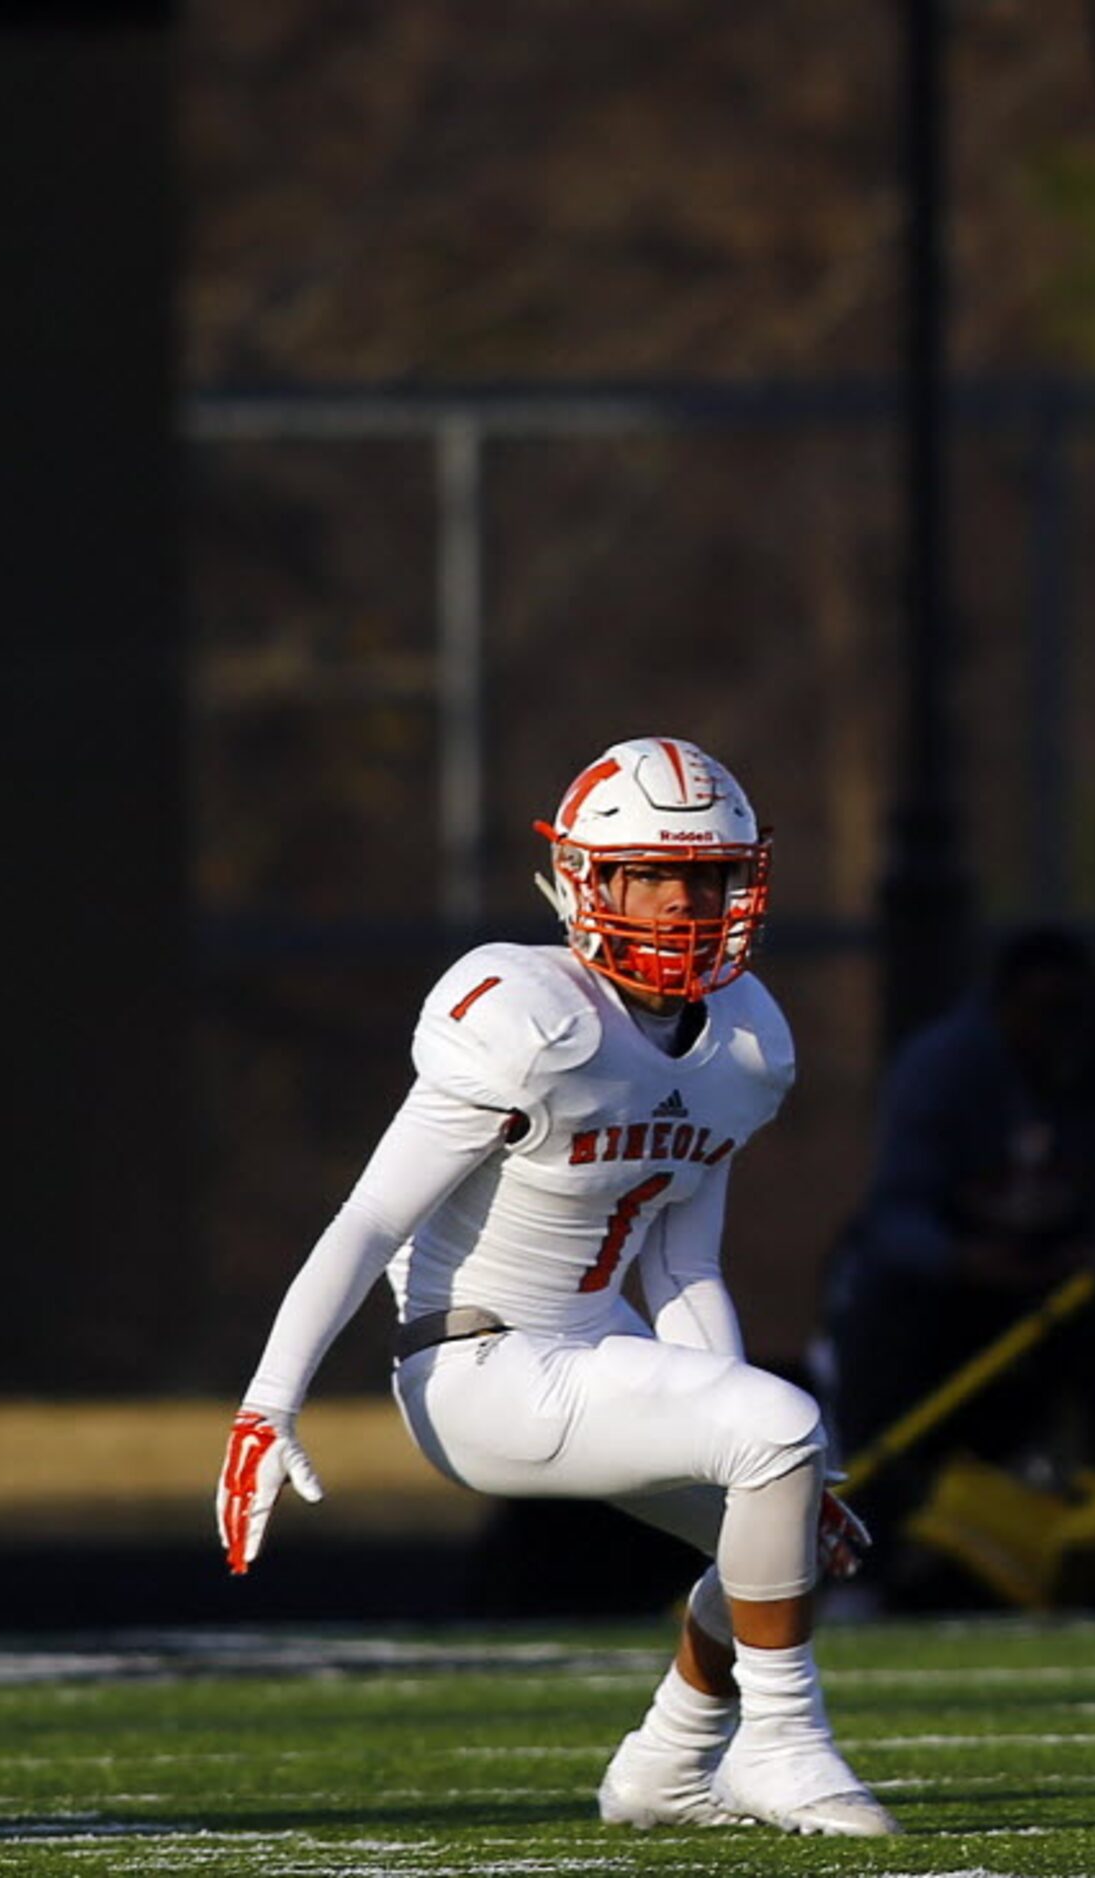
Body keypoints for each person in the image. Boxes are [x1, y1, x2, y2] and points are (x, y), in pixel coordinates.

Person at [215, 735, 897, 1838]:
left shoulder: (744, 1042)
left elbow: (683, 1264)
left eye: (707, 875)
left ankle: (665, 1768)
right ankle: (783, 1747)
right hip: (475, 1366)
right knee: (778, 1432)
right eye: (655, 874)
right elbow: (370, 1219)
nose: (683, 902)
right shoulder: (526, 1017)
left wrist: (760, 1470)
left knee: (782, 1505)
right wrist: (269, 1403)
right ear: (589, 878)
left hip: (597, 1349)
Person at [809, 925, 1095, 1592]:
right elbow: (896, 1216)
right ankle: (870, 1563)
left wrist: (1087, 1254)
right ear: (1004, 1006)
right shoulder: (943, 1067)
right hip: (940, 1297)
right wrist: (968, 1262)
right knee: (887, 1350)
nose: (1059, 1033)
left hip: (1055, 1292)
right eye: (1044, 1012)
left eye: (1075, 1013)